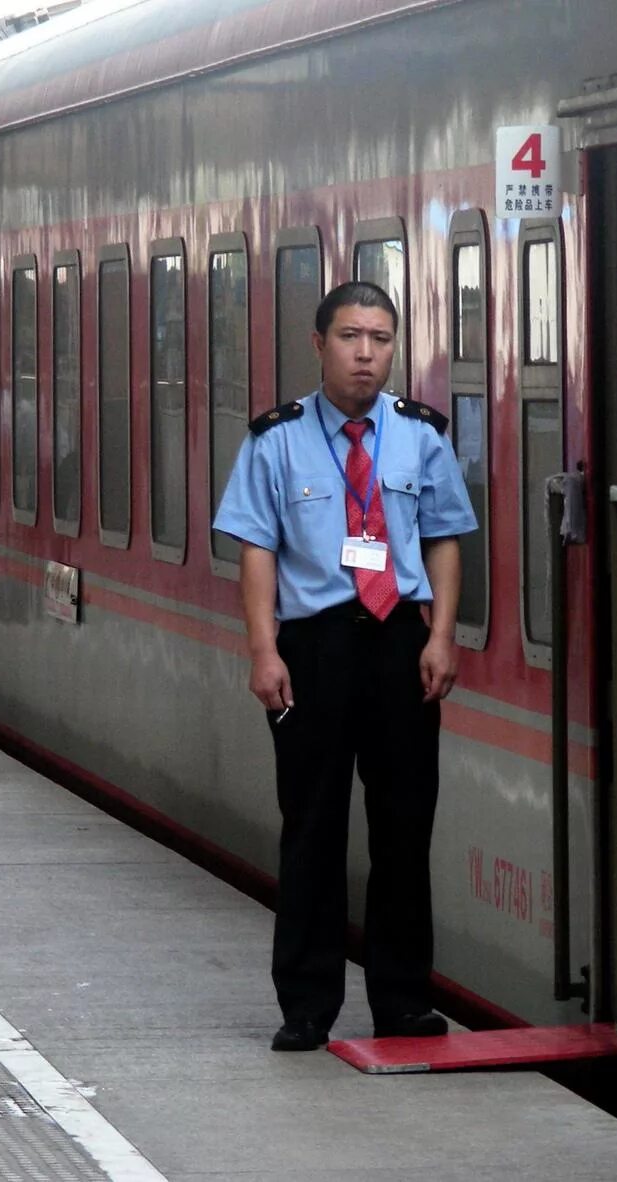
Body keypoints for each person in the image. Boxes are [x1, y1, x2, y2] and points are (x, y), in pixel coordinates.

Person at [212, 282, 477, 1051]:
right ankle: (306, 1005)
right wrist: (263, 649)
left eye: (382, 339)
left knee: (403, 828)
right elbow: (257, 549)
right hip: (313, 648)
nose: (367, 354)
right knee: (314, 828)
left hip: (400, 644)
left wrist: (443, 636)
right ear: (318, 342)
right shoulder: (276, 440)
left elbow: (446, 539)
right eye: (352, 337)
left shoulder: (421, 436)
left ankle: (401, 1000)